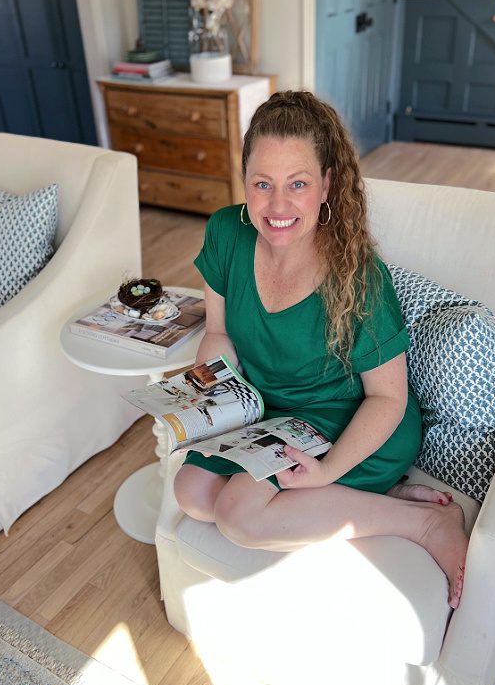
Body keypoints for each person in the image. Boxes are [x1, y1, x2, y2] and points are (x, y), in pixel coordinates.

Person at [174, 91, 468, 608]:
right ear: (245, 180)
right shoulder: (226, 231)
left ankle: (426, 522)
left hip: (355, 419)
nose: (278, 205)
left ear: (327, 184)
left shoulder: (358, 274)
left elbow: (388, 399)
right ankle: (374, 493)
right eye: (262, 184)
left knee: (238, 514)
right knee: (191, 494)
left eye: (298, 185)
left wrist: (327, 471)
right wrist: (214, 396)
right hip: (273, 413)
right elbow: (218, 333)